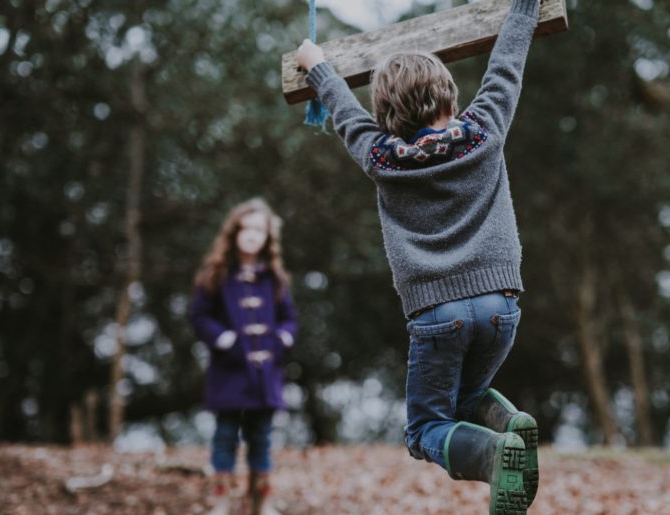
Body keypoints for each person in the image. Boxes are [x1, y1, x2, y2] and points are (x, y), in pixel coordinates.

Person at [296, 0, 541, 512]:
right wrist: (524, 6)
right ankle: (511, 427)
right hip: (502, 305)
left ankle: (498, 454)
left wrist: (316, 65)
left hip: (437, 312)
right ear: (449, 92)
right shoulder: (486, 130)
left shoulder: (381, 157)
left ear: (387, 115)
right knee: (466, 400)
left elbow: (343, 111)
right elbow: (506, 65)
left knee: (425, 428)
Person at [190, 198, 297, 515]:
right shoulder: (215, 275)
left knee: (261, 437)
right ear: (233, 232)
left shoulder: (275, 278)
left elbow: (289, 318)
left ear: (267, 237)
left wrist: (282, 338)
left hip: (266, 375)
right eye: (246, 228)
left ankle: (260, 503)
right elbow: (199, 317)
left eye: (259, 230)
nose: (252, 235)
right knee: (225, 436)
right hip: (229, 372)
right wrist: (223, 339)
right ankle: (221, 502)